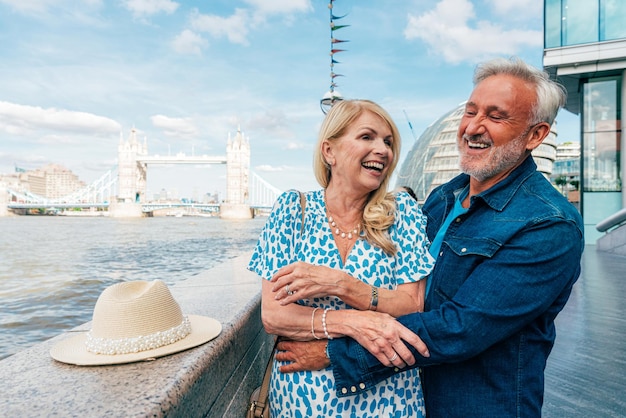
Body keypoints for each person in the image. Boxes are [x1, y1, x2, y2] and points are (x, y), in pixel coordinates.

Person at [274, 57, 585, 417]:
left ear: (536, 135)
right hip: (407, 399)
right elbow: (397, 283)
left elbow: (460, 327)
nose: (473, 127)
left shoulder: (548, 225)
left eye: (496, 116)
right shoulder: (442, 198)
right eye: (471, 111)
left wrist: (333, 351)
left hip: (474, 405)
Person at [248, 99, 435, 417]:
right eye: (367, 137)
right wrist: (354, 322)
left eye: (388, 142)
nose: (383, 150)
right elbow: (275, 315)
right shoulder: (293, 210)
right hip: (304, 398)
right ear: (329, 151)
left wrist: (342, 284)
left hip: (387, 397)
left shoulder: (402, 212)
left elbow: (412, 305)